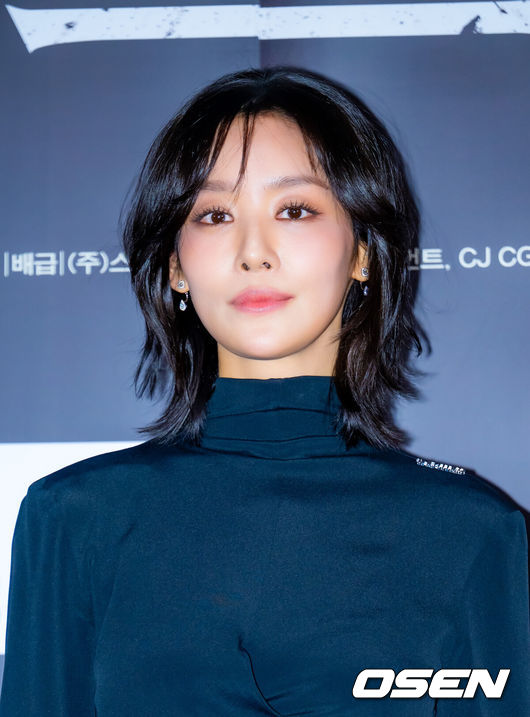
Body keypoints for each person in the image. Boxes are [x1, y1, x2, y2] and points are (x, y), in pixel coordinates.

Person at [0, 66, 528, 716]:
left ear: (362, 251)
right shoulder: (75, 519)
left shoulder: (472, 530)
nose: (254, 251)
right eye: (215, 214)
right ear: (176, 264)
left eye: (295, 210)